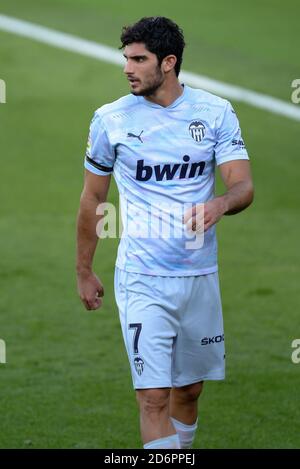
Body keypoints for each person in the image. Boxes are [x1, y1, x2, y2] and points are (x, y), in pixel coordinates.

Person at [76, 16, 254, 449]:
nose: (127, 68)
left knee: (189, 392)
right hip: (142, 277)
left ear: (168, 62)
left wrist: (221, 203)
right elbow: (91, 199)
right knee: (154, 397)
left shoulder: (214, 113)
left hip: (198, 276)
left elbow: (243, 186)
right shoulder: (111, 120)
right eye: (126, 58)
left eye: (139, 59)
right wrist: (84, 269)